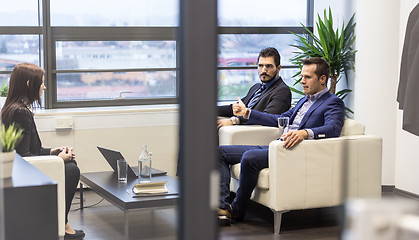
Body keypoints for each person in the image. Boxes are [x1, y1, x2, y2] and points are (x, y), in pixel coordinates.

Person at [217, 57, 345, 224]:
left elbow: (333, 129)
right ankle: (222, 208)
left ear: (322, 79)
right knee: (221, 152)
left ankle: (238, 210)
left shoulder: (332, 102)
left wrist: (305, 133)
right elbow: (279, 118)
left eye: (307, 77)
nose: (302, 81)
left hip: (292, 151)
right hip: (276, 146)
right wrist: (248, 113)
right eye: (302, 76)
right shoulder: (303, 100)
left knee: (249, 157)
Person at [1, 63, 85, 240]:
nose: (44, 87)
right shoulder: (20, 113)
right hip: (22, 173)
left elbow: (31, 149)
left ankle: (61, 221)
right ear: (29, 84)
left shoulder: (13, 109)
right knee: (71, 169)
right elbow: (23, 158)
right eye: (42, 83)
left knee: (70, 163)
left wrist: (53, 152)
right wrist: (59, 160)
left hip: (17, 169)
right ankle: (61, 224)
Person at [217, 47, 291, 128]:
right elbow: (235, 108)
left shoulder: (282, 91)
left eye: (269, 66)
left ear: (278, 68)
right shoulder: (256, 88)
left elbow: (268, 118)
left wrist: (234, 120)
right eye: (260, 66)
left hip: (254, 133)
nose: (264, 70)